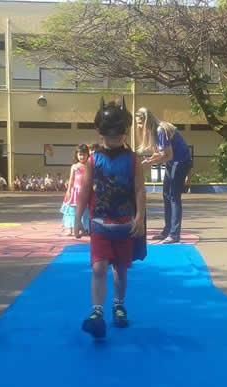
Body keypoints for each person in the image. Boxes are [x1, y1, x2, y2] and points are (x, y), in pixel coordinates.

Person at [74, 98, 146, 339]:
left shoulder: (133, 160)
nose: (113, 140)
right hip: (99, 223)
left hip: (125, 224)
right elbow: (85, 190)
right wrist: (78, 218)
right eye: (108, 136)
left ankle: (118, 304)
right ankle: (97, 312)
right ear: (101, 134)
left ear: (124, 133)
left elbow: (139, 190)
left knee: (120, 269)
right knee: (99, 267)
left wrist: (140, 217)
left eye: (118, 136)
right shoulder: (93, 160)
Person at [135, 107, 192, 243]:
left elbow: (168, 155)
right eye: (137, 123)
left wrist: (149, 163)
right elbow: (160, 154)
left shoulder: (160, 130)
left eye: (140, 123)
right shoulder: (154, 132)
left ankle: (174, 234)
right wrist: (149, 159)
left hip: (180, 162)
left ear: (147, 121)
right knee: (166, 194)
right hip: (172, 162)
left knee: (173, 196)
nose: (139, 126)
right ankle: (167, 230)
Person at [60, 144, 90, 236]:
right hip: (75, 192)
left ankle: (85, 228)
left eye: (84, 154)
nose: (82, 157)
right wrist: (68, 191)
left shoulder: (89, 166)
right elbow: (71, 179)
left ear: (88, 155)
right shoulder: (74, 166)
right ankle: (70, 229)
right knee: (72, 210)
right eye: (80, 154)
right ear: (77, 155)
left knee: (85, 211)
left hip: (85, 192)